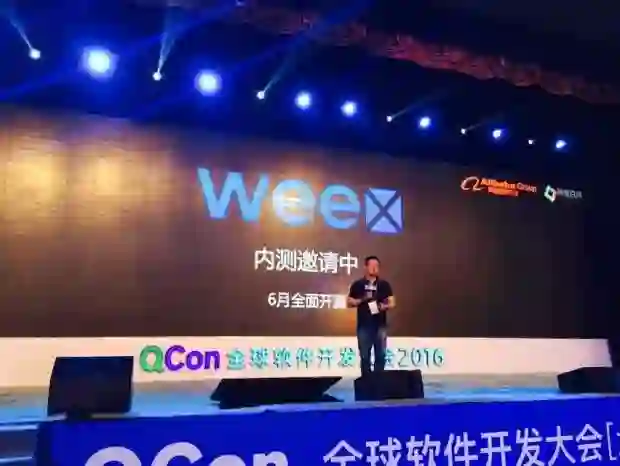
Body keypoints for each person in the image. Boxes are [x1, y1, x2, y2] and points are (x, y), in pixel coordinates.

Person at [347, 255, 396, 376]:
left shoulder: (384, 284)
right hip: (364, 325)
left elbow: (392, 302)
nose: (374, 268)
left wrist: (382, 306)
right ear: (365, 267)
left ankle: (379, 380)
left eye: (377, 266)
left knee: (381, 355)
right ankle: (366, 381)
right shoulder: (358, 284)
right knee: (364, 356)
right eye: (372, 265)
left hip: (380, 325)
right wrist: (362, 300)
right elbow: (349, 302)